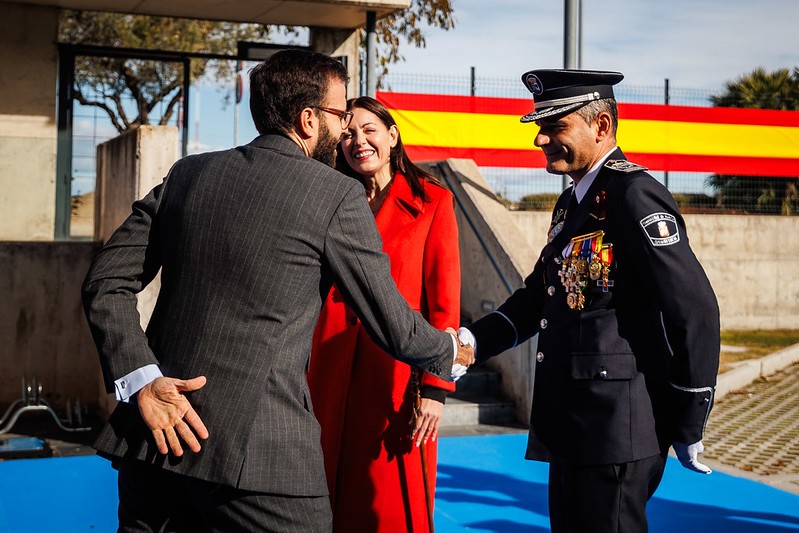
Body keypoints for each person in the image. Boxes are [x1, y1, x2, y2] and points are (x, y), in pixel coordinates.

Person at [81, 50, 473, 532]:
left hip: (152, 442)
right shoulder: (334, 194)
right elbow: (394, 326)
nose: (345, 125)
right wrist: (453, 352)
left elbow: (105, 282)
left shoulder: (188, 174)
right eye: (340, 114)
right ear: (309, 120)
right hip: (261, 457)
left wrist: (141, 379)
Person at [455, 69, 720, 533]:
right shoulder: (573, 203)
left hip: (620, 424)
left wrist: (690, 414)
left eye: (555, 126)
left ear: (600, 127)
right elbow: (541, 294)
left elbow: (694, 307)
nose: (540, 138)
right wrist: (473, 341)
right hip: (577, 420)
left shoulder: (634, 194)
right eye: (540, 125)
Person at [307, 96, 460, 531]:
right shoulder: (327, 198)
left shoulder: (433, 202)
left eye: (370, 130)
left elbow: (444, 303)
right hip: (328, 371)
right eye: (348, 133)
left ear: (392, 136)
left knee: (390, 505)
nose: (359, 142)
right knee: (325, 493)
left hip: (396, 377)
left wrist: (435, 388)